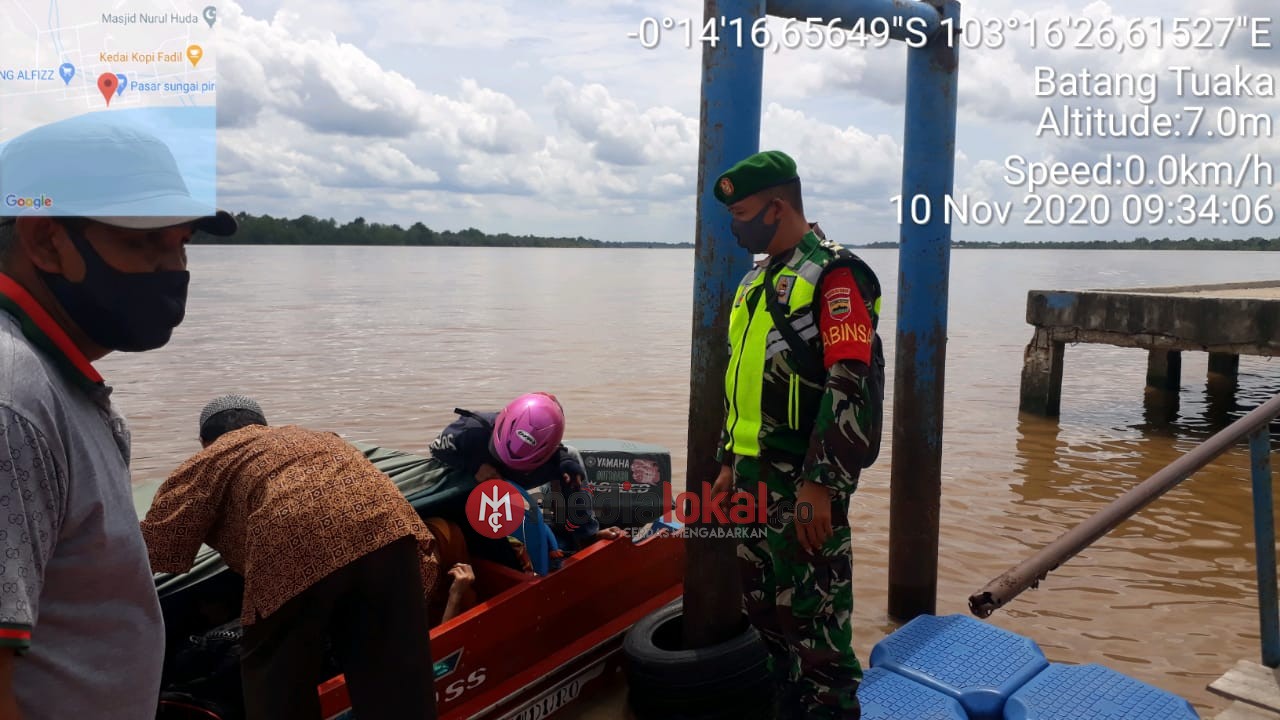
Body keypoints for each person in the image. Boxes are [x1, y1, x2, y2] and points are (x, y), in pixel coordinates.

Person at [0, 114, 238, 720]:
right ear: (46, 239)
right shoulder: (14, 400)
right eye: (142, 242)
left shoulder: (57, 382)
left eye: (180, 244)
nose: (173, 270)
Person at [141, 395, 470, 720]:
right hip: (392, 535)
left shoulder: (207, 461)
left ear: (204, 441)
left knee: (274, 680)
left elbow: (156, 550)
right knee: (397, 678)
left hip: (295, 552)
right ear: (262, 426)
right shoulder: (319, 438)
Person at [708, 150, 885, 719]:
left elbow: (848, 381)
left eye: (742, 214)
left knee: (816, 628)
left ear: (777, 207)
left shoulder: (834, 275)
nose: (734, 226)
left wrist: (821, 486)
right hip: (752, 480)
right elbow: (741, 381)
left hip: (801, 483)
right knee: (766, 617)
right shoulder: (757, 280)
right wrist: (727, 464)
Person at [424, 393, 624, 567]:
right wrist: (473, 466)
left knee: (571, 463)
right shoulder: (469, 432)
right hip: (476, 477)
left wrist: (566, 466)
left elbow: (561, 455)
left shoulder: (551, 453)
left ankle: (585, 536)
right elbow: (435, 449)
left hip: (522, 476)